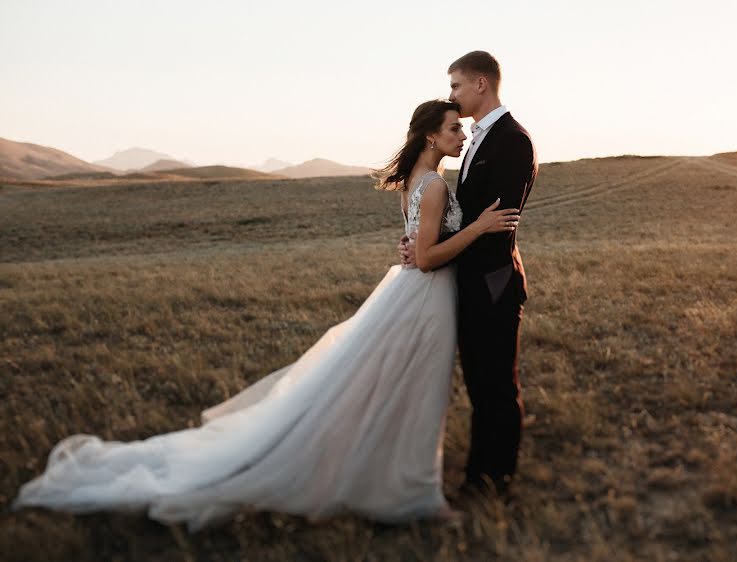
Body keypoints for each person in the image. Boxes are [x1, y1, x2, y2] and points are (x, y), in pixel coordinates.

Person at [12, 100, 520, 530]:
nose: (461, 134)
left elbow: (417, 245)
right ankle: (409, 494)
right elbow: (428, 256)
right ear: (431, 135)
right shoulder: (433, 185)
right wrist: (477, 227)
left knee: (390, 390)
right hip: (423, 299)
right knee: (412, 394)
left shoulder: (418, 178)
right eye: (453, 128)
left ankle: (390, 477)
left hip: (413, 294)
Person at [400, 51, 538, 499]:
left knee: (496, 387)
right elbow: (465, 220)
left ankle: (493, 483)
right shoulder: (481, 137)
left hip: (492, 284)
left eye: (457, 86)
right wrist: (425, 244)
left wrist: (435, 252)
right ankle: (480, 475)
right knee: (481, 387)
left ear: (481, 84)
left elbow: (497, 225)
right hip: (468, 282)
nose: (452, 96)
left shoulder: (512, 140)